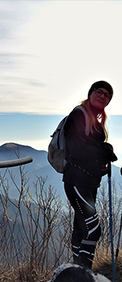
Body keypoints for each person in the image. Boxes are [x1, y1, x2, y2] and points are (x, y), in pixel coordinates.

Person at [64, 80, 115, 269]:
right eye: (99, 92)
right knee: (93, 229)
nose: (102, 96)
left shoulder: (96, 119)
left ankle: (77, 272)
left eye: (106, 95)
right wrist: (101, 152)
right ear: (90, 93)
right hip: (76, 181)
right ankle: (83, 274)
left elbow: (90, 151)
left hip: (89, 181)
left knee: (81, 228)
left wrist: (103, 165)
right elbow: (76, 148)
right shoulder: (79, 114)